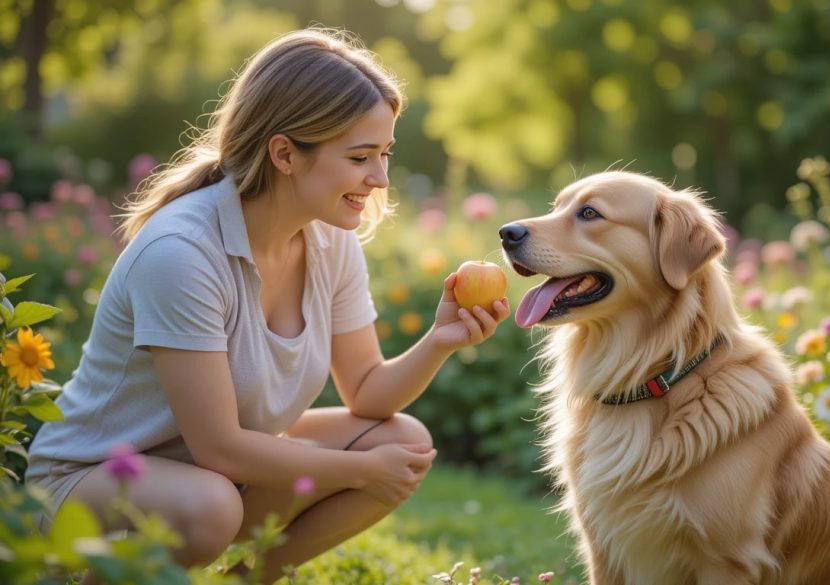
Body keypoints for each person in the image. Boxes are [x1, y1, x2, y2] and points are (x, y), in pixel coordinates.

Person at [25, 27, 510, 582]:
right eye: (360, 157)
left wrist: (440, 340)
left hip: (211, 476)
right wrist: (358, 469)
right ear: (284, 153)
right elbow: (220, 448)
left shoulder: (331, 241)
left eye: (384, 154)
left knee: (402, 440)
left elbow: (368, 390)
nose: (379, 179)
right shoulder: (181, 251)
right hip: (88, 481)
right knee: (212, 504)